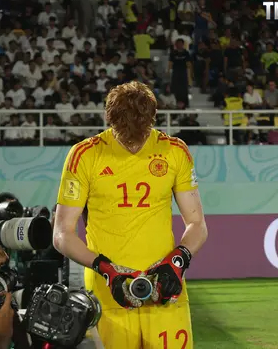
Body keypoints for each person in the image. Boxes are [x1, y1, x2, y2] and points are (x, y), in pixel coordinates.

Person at [53, 81, 208, 349]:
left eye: (142, 129)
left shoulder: (175, 151)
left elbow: (197, 224)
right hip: (108, 292)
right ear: (110, 120)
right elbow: (62, 234)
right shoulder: (85, 155)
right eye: (125, 132)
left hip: (164, 287)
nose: (134, 139)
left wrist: (178, 261)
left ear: (152, 119)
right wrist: (107, 270)